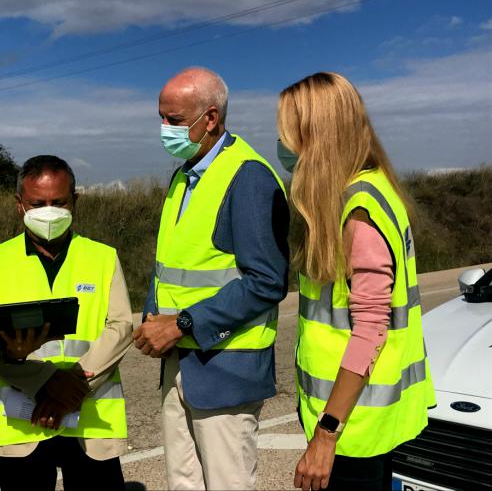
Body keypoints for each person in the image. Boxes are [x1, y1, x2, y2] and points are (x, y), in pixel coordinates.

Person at [275, 72, 436, 491]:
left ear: (318, 136)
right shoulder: (371, 188)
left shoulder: (359, 209)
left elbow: (370, 329)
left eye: (289, 135)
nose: (284, 148)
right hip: (356, 418)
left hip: (351, 427)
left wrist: (326, 435)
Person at [133, 67, 290, 490]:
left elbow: (267, 282)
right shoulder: (184, 174)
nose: (165, 129)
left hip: (226, 369)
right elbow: (169, 264)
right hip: (177, 362)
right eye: (161, 118)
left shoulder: (249, 177)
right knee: (183, 483)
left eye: (176, 121)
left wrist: (182, 323)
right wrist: (152, 317)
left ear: (212, 118)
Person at [0, 155, 133, 491]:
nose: (49, 211)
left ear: (76, 201)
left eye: (59, 202)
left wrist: (72, 388)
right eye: (38, 203)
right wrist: (45, 383)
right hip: (19, 421)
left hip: (88, 415)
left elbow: (121, 327)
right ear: (19, 204)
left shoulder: (102, 256)